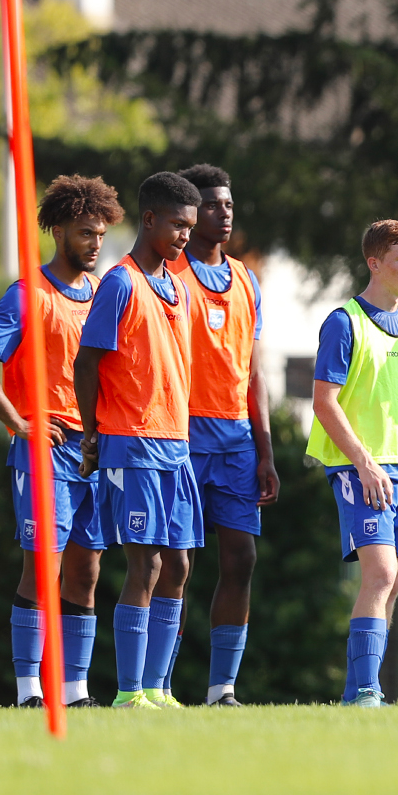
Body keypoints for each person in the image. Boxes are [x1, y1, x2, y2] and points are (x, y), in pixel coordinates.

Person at [0, 175, 123, 707]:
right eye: (85, 233)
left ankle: (75, 690)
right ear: (57, 231)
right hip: (45, 450)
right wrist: (19, 421)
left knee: (87, 567)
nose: (96, 244)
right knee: (44, 565)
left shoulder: (105, 294)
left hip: (96, 449)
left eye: (101, 234)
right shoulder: (29, 295)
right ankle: (28, 692)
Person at [146, 163, 277, 708]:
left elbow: (253, 368)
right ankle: (153, 684)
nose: (223, 213)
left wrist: (266, 450)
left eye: (228, 204)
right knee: (175, 563)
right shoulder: (169, 273)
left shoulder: (246, 279)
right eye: (212, 205)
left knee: (241, 558)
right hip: (179, 432)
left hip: (237, 440)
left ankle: (222, 689)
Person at [73, 172, 204, 709]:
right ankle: (129, 692)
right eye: (177, 224)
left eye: (190, 227)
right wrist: (93, 430)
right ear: (149, 220)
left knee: (178, 565)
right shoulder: (121, 283)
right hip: (133, 442)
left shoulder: (177, 286)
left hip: (176, 443)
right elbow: (87, 360)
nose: (185, 236)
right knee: (145, 564)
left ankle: (157, 687)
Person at [308, 219, 398, 706]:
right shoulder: (344, 322)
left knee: (395, 582)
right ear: (374, 263)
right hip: (360, 469)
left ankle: (359, 692)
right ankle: (366, 689)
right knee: (381, 576)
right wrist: (363, 462)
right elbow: (324, 402)